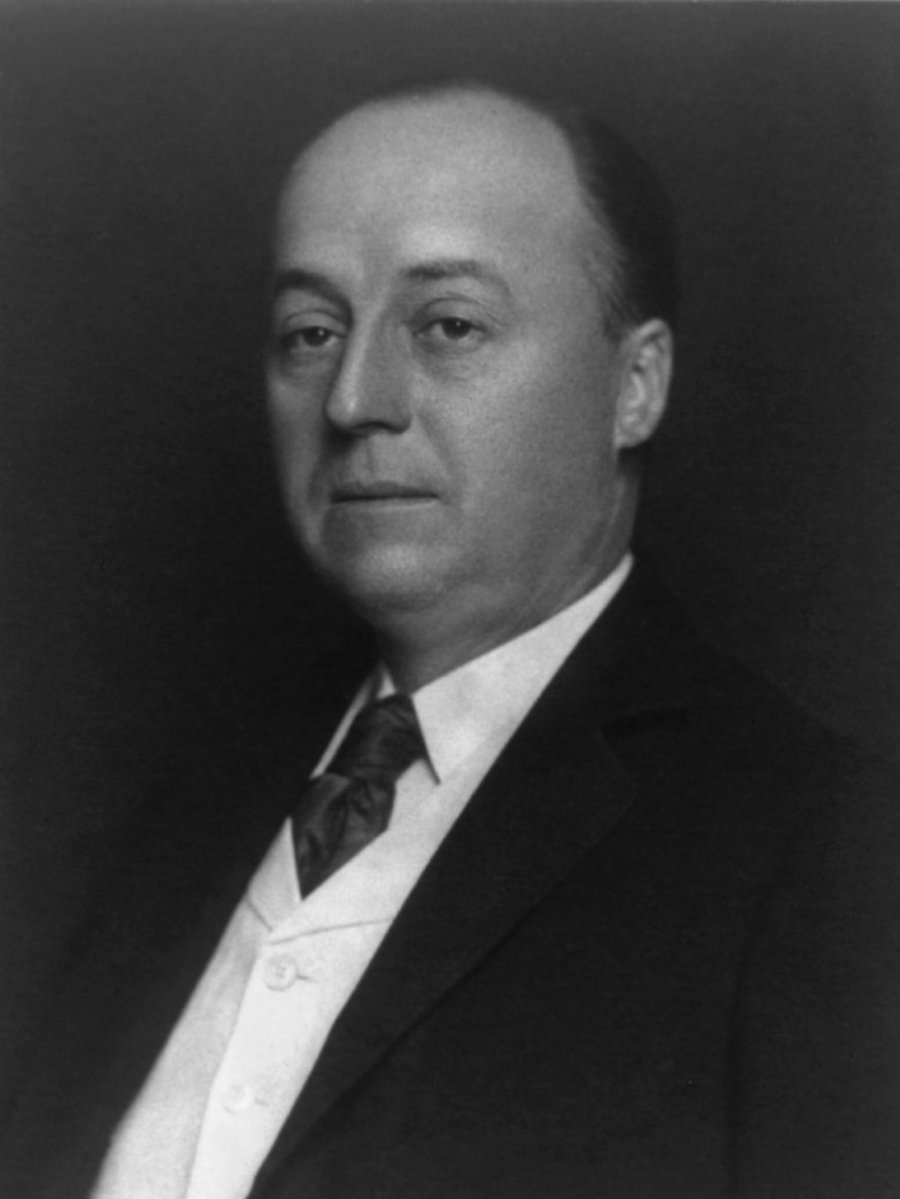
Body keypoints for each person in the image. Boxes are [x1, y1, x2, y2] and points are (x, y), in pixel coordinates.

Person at [3, 79, 899, 1199]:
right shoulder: (177, 799)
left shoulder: (824, 854)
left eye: (449, 326)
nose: (353, 399)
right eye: (312, 331)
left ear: (635, 386)